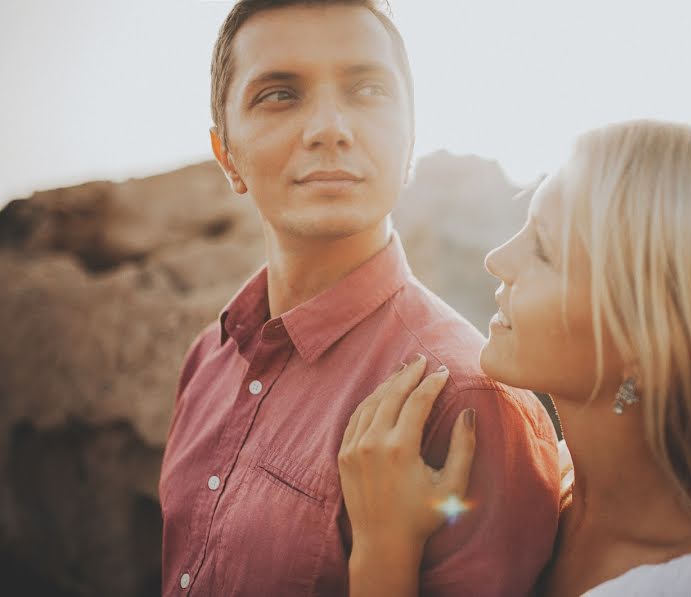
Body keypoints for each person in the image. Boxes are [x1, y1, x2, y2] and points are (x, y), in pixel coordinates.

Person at [338, 120, 691, 597]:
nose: (497, 260)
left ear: (650, 340)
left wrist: (384, 553)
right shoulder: (551, 491)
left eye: (543, 248)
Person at [157, 1, 560, 595]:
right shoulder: (207, 359)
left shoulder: (467, 400)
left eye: (368, 89)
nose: (329, 128)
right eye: (279, 94)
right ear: (228, 157)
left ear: (410, 142)